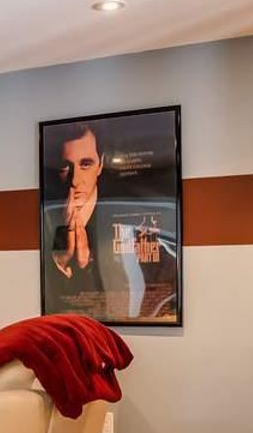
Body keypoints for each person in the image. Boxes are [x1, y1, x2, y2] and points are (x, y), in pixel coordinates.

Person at [44, 122, 176, 321]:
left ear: (101, 164)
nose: (75, 180)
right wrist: (60, 263)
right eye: (65, 167)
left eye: (85, 164)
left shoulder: (132, 217)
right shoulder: (47, 225)